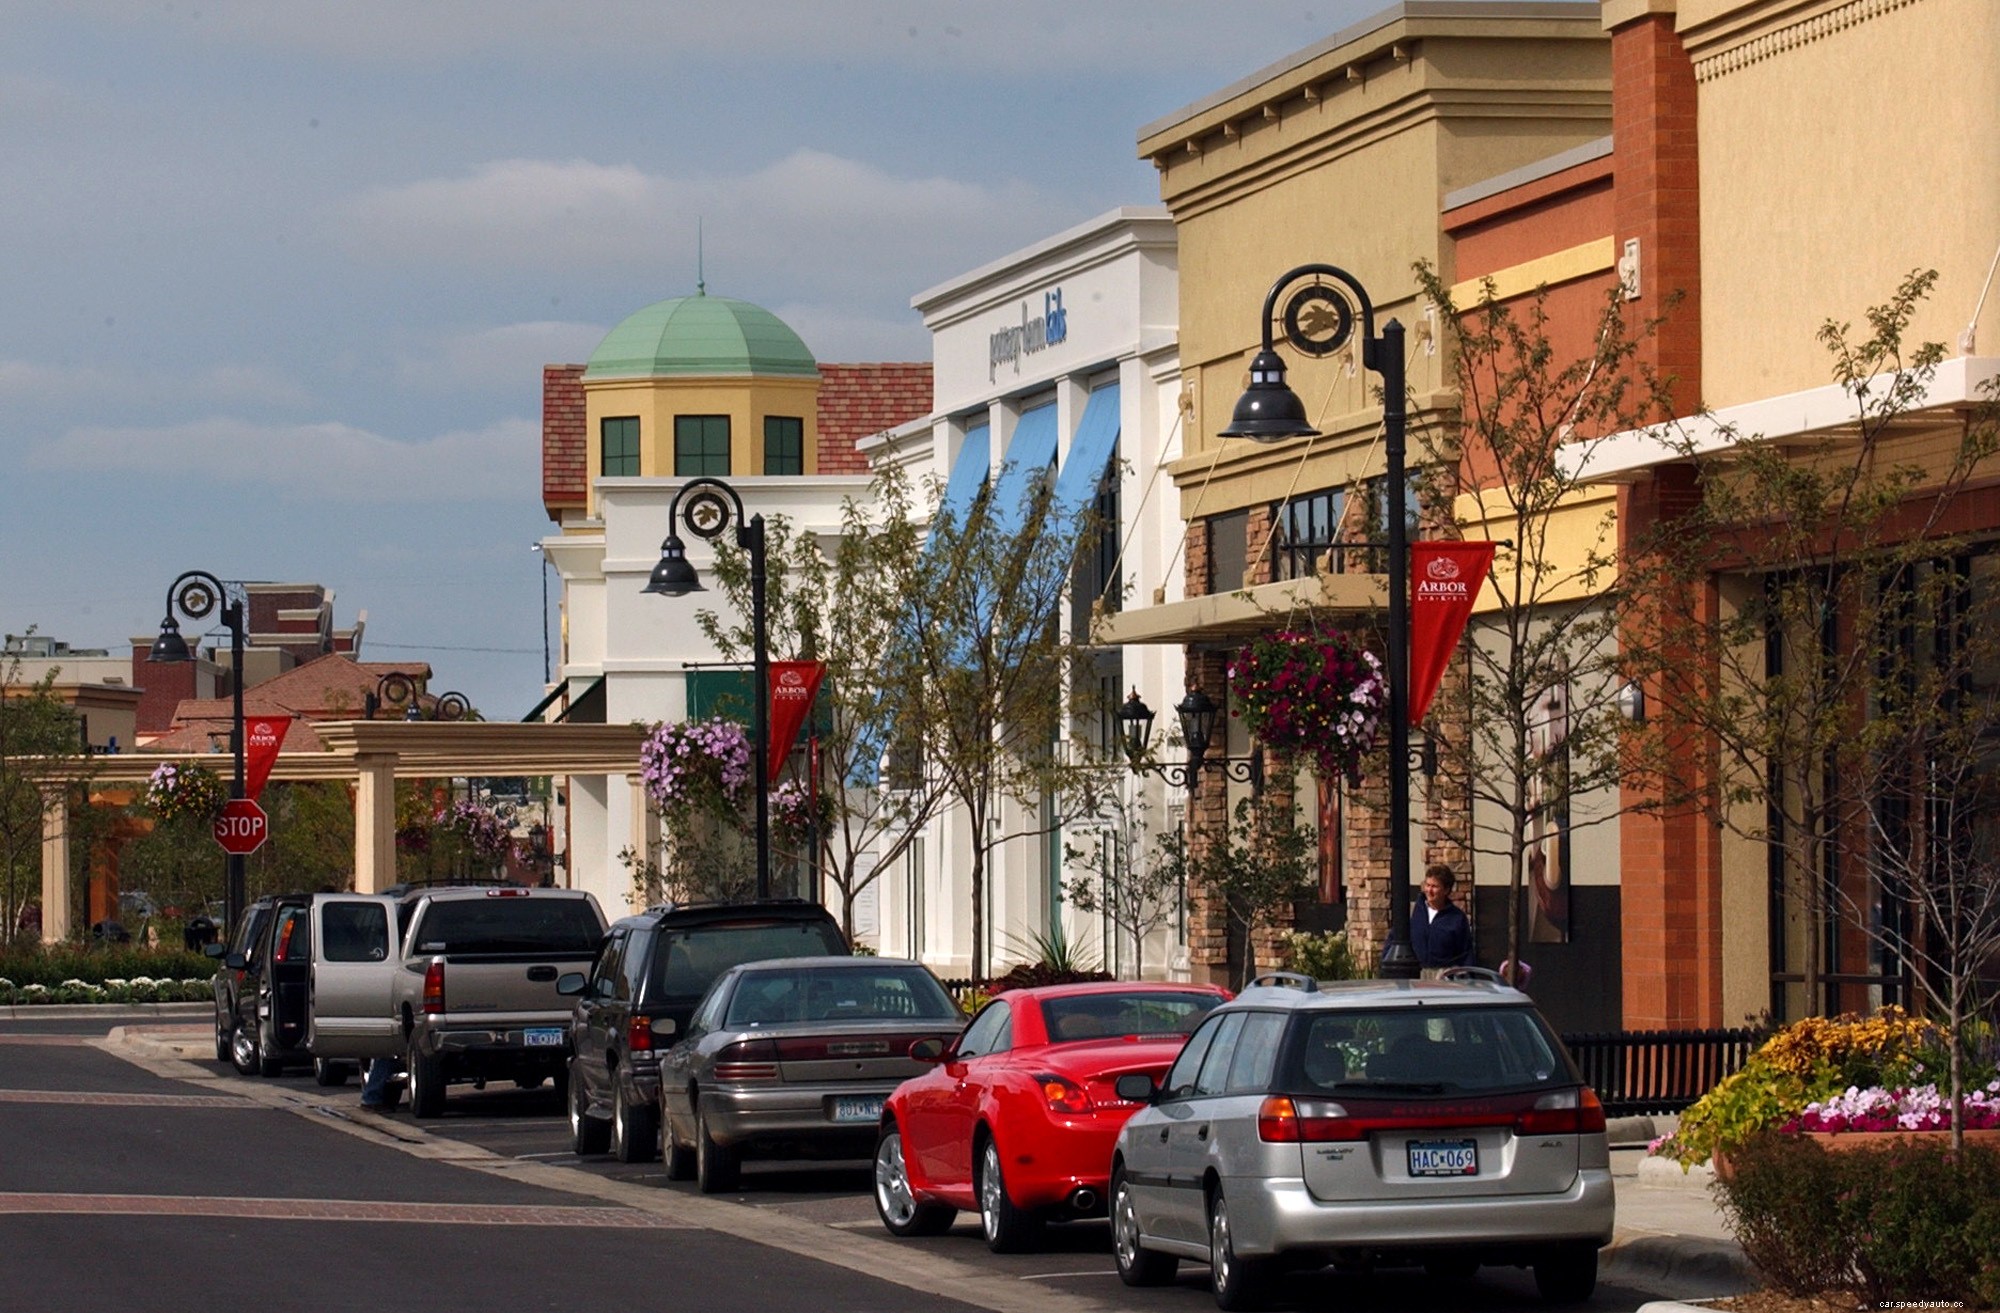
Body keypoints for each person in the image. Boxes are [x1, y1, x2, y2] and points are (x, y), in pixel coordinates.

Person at [1409, 862, 1473, 973]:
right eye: (1427, 885)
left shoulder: (1457, 918)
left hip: (1444, 978)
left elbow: (1466, 953)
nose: (1429, 890)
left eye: (1434, 886)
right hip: (1415, 976)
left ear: (1446, 890)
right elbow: (1393, 939)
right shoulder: (1413, 912)